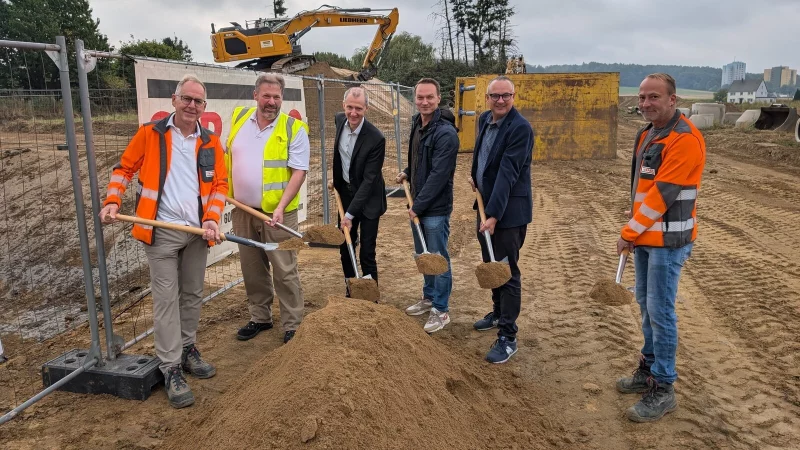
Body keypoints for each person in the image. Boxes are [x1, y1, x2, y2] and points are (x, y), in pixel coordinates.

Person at [100, 74, 227, 409]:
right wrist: (113, 200)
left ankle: (187, 350)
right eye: (186, 98)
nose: (191, 105)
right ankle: (169, 366)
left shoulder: (210, 142)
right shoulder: (150, 134)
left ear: (204, 107)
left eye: (198, 101)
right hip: (161, 232)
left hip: (197, 233)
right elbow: (124, 169)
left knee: (193, 294)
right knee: (166, 299)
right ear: (174, 99)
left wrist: (212, 218)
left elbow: (219, 187)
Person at [615, 73, 706, 422]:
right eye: (642, 98)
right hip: (646, 237)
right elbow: (645, 187)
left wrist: (629, 230)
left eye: (654, 97)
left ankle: (664, 387)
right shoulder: (648, 133)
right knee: (645, 305)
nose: (646, 103)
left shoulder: (685, 140)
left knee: (661, 312)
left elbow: (662, 196)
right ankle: (648, 367)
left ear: (673, 99)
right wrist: (635, 218)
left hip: (668, 241)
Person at [225, 73, 310, 345]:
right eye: (266, 96)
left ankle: (293, 324)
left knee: (284, 270)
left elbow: (298, 172)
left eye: (276, 97)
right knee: (252, 268)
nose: (271, 102)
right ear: (255, 96)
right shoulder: (240, 119)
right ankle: (260, 317)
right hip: (243, 210)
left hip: (278, 213)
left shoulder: (293, 128)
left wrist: (281, 206)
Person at [469, 75, 534, 364]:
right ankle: (497, 313)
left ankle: (508, 336)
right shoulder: (485, 119)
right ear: (487, 98)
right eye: (495, 96)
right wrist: (476, 176)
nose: (500, 101)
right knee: (491, 266)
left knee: (506, 273)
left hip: (507, 213)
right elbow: (482, 154)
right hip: (486, 206)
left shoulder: (520, 128)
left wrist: (494, 215)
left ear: (514, 96)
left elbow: (508, 174)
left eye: (505, 95)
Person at [397, 78, 459, 333]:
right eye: (420, 97)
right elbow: (419, 159)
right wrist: (408, 172)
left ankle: (441, 310)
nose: (424, 102)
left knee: (437, 259)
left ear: (438, 98)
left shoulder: (446, 133)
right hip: (419, 205)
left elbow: (438, 175)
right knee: (424, 256)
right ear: (415, 99)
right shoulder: (417, 124)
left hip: (433, 209)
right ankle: (429, 297)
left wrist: (418, 206)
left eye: (429, 98)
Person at [332, 86, 387, 293]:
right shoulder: (339, 120)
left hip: (369, 199)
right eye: (349, 107)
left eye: (359, 109)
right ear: (343, 106)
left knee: (366, 251)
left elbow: (369, 180)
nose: (353, 113)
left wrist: (350, 214)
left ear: (367, 108)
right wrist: (337, 181)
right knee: (345, 246)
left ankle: (371, 297)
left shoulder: (376, 138)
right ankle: (352, 288)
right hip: (345, 195)